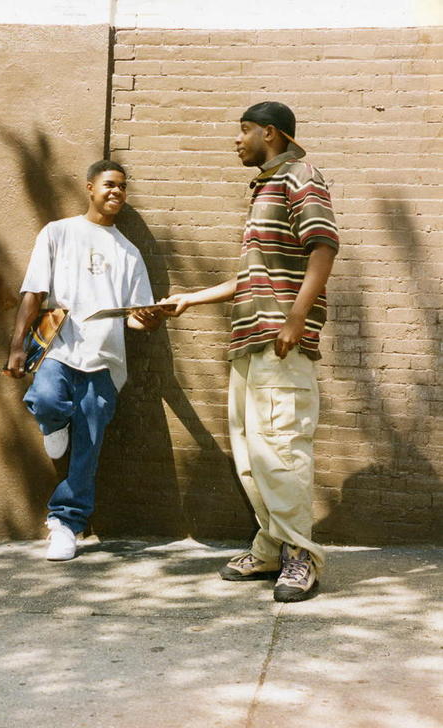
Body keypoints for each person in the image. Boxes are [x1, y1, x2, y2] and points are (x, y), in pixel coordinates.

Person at [162, 102, 339, 602]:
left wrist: (296, 317)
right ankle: (270, 547)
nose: (236, 140)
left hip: (281, 342)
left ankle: (301, 556)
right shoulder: (264, 187)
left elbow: (324, 246)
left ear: (271, 133)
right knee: (251, 457)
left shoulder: (300, 175)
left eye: (244, 131)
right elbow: (250, 277)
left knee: (280, 450)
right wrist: (190, 298)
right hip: (249, 341)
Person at [6, 159, 162, 561]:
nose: (117, 192)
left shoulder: (129, 252)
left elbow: (136, 318)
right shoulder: (58, 232)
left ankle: (66, 523)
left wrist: (147, 319)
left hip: (106, 359)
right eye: (109, 184)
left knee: (88, 448)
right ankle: (55, 424)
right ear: (90, 187)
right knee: (45, 400)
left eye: (123, 187)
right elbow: (34, 293)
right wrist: (17, 345)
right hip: (58, 349)